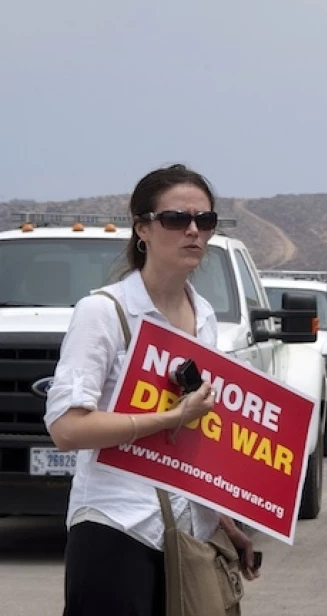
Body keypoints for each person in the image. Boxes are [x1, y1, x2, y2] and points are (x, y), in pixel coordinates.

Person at [44, 164, 260, 615]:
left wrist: (224, 520)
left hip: (185, 534)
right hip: (115, 527)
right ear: (142, 228)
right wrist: (171, 417)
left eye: (206, 220)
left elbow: (192, 441)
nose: (194, 231)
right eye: (177, 219)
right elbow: (66, 429)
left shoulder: (203, 317)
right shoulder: (103, 312)